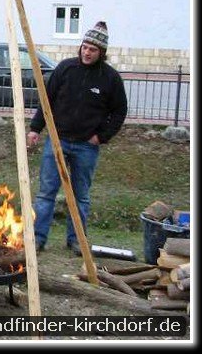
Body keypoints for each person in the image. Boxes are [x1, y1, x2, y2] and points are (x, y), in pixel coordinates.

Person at [26, 21, 128, 255]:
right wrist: (35, 128)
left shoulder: (110, 78)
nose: (87, 52)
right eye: (85, 47)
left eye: (93, 49)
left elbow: (119, 111)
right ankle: (39, 238)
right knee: (46, 192)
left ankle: (76, 240)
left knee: (80, 195)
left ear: (101, 53)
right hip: (57, 139)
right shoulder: (65, 69)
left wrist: (101, 137)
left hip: (86, 146)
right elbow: (47, 100)